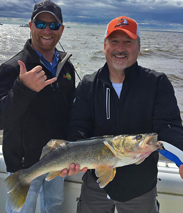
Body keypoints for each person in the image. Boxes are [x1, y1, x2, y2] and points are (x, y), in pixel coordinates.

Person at [61, 16, 183, 213]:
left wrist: (181, 157)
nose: (120, 48)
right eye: (114, 41)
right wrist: (73, 157)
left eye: (128, 42)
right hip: (95, 184)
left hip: (140, 187)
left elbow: (169, 127)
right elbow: (78, 128)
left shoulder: (156, 83)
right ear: (105, 46)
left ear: (139, 47)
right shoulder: (88, 85)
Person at [0, 0, 76, 212]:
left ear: (61, 30)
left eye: (53, 25)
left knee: (54, 205)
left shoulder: (67, 68)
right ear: (30, 26)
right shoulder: (12, 68)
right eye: (41, 24)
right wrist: (22, 88)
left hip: (58, 159)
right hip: (24, 164)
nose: (47, 30)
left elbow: (72, 112)